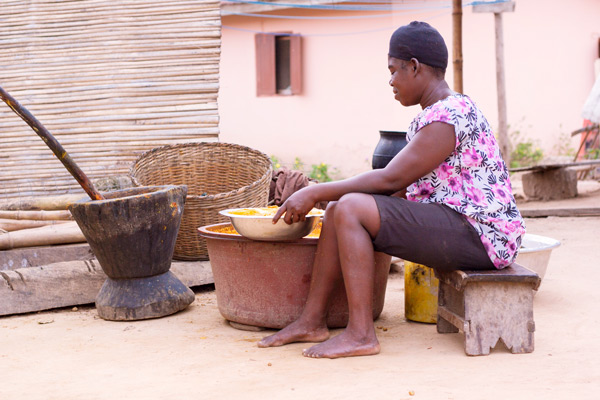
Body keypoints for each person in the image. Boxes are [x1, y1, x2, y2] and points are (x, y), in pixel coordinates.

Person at [257, 21, 526, 359]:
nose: (391, 81)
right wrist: (333, 199)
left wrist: (315, 191)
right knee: (341, 209)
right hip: (461, 226)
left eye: (393, 70)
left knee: (351, 206)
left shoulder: (448, 115)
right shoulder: (439, 113)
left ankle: (360, 335)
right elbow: (399, 190)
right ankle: (312, 320)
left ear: (414, 67)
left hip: (483, 236)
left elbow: (390, 180)